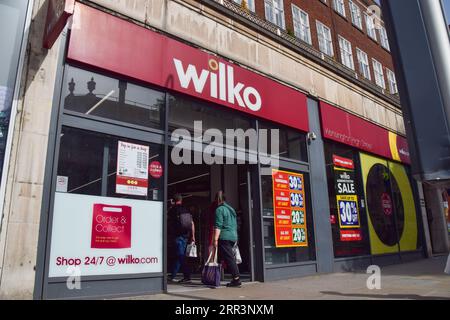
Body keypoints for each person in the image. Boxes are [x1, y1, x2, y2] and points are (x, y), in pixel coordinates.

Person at [213, 191, 241, 288]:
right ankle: (217, 277)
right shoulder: (231, 209)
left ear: (217, 199)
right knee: (224, 257)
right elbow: (234, 224)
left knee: (229, 258)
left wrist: (215, 239)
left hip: (224, 236)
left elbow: (218, 226)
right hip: (233, 236)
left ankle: (236, 279)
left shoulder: (219, 210)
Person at [168, 194, 195, 283]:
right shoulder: (186, 209)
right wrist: (193, 236)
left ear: (173, 200)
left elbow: (167, 221)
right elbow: (192, 223)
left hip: (177, 236)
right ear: (181, 200)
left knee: (181, 256)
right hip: (186, 236)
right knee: (179, 256)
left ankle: (187, 277)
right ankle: (172, 275)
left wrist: (171, 206)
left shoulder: (173, 210)